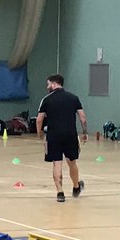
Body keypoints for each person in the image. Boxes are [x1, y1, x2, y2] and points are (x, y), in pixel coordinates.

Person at [35, 74, 87, 203]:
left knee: (57, 163)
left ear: (54, 83)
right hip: (70, 134)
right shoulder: (73, 98)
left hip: (53, 135)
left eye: (48, 84)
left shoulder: (46, 100)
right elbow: (82, 117)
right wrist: (84, 132)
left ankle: (60, 192)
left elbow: (39, 119)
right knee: (72, 162)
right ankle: (76, 187)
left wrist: (39, 132)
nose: (47, 87)